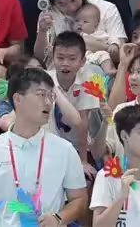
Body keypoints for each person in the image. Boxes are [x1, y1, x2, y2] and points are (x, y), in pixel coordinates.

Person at [0, 67, 88, 226]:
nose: (48, 102)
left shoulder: (65, 150)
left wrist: (58, 218)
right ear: (18, 99)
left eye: (51, 96)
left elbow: (80, 200)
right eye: (41, 95)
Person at [33, 0, 127, 65]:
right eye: (61, 4)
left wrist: (98, 46)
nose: (71, 8)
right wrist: (42, 31)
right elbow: (41, 58)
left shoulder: (107, 8)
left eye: (73, 0)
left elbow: (122, 55)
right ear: (53, 3)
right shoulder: (48, 15)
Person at [47, 31, 101, 177]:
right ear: (53, 57)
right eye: (60, 57)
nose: (65, 63)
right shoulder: (45, 80)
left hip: (80, 146)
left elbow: (83, 123)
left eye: (72, 58)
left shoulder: (89, 80)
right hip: (51, 145)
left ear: (82, 61)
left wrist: (83, 161)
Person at [0, 56, 82, 134]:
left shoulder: (50, 100)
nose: (38, 75)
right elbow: (5, 124)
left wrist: (52, 87)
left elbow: (76, 121)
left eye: (40, 69)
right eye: (31, 70)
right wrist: (23, 97)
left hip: (50, 143)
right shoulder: (9, 102)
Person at [74, 3, 117, 77]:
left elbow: (113, 38)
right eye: (77, 21)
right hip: (85, 59)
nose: (80, 24)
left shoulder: (100, 34)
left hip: (98, 57)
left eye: (85, 22)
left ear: (96, 25)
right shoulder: (75, 36)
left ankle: (109, 70)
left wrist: (114, 44)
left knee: (103, 55)